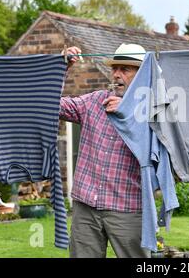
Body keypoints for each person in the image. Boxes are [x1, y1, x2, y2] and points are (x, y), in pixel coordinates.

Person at [60, 43, 150, 258]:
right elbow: (50, 104)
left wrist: (127, 111)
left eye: (125, 69)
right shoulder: (94, 101)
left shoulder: (152, 109)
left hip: (128, 209)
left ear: (141, 74)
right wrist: (61, 67)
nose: (117, 74)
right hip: (85, 207)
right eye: (115, 68)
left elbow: (161, 145)